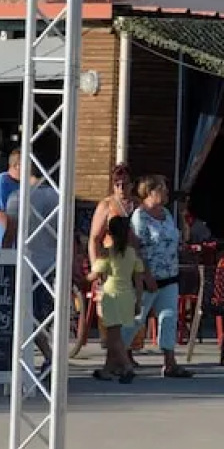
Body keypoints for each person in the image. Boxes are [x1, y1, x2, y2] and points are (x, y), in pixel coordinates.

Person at [126, 175, 193, 379]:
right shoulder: (140, 216)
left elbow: (180, 238)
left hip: (170, 274)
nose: (165, 193)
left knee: (169, 317)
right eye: (162, 189)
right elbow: (137, 248)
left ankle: (169, 362)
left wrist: (183, 218)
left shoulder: (166, 213)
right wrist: (146, 275)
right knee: (138, 318)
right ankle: (117, 356)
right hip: (148, 277)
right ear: (150, 191)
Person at [74, 163, 141, 359]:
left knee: (133, 309)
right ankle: (115, 355)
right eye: (117, 184)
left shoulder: (137, 205)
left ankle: (127, 353)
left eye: (125, 184)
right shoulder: (106, 205)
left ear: (132, 185)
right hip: (111, 261)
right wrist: (97, 268)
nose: (121, 188)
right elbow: (94, 238)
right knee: (111, 312)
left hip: (132, 261)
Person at [5, 167, 62, 376]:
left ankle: (49, 356)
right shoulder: (58, 196)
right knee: (48, 317)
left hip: (28, 265)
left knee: (29, 316)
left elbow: (10, 232)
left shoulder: (18, 197)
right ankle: (51, 356)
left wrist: (4, 257)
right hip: (53, 264)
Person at [89, 215, 144, 384]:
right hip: (128, 295)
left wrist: (81, 277)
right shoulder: (132, 253)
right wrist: (138, 301)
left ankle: (127, 367)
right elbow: (139, 280)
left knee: (113, 337)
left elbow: (94, 275)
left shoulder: (108, 253)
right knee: (116, 334)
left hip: (111, 296)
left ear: (109, 233)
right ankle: (107, 369)